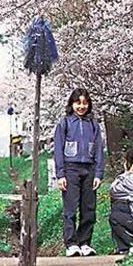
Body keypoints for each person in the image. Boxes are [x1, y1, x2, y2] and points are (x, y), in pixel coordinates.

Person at [52, 88, 104, 256]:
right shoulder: (64, 123)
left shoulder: (93, 124)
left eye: (84, 103)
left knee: (89, 208)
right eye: (78, 103)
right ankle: (71, 243)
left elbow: (99, 150)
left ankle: (85, 242)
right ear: (72, 104)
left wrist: (98, 173)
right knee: (71, 208)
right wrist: (60, 174)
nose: (81, 106)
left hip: (89, 169)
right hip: (70, 169)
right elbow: (58, 150)